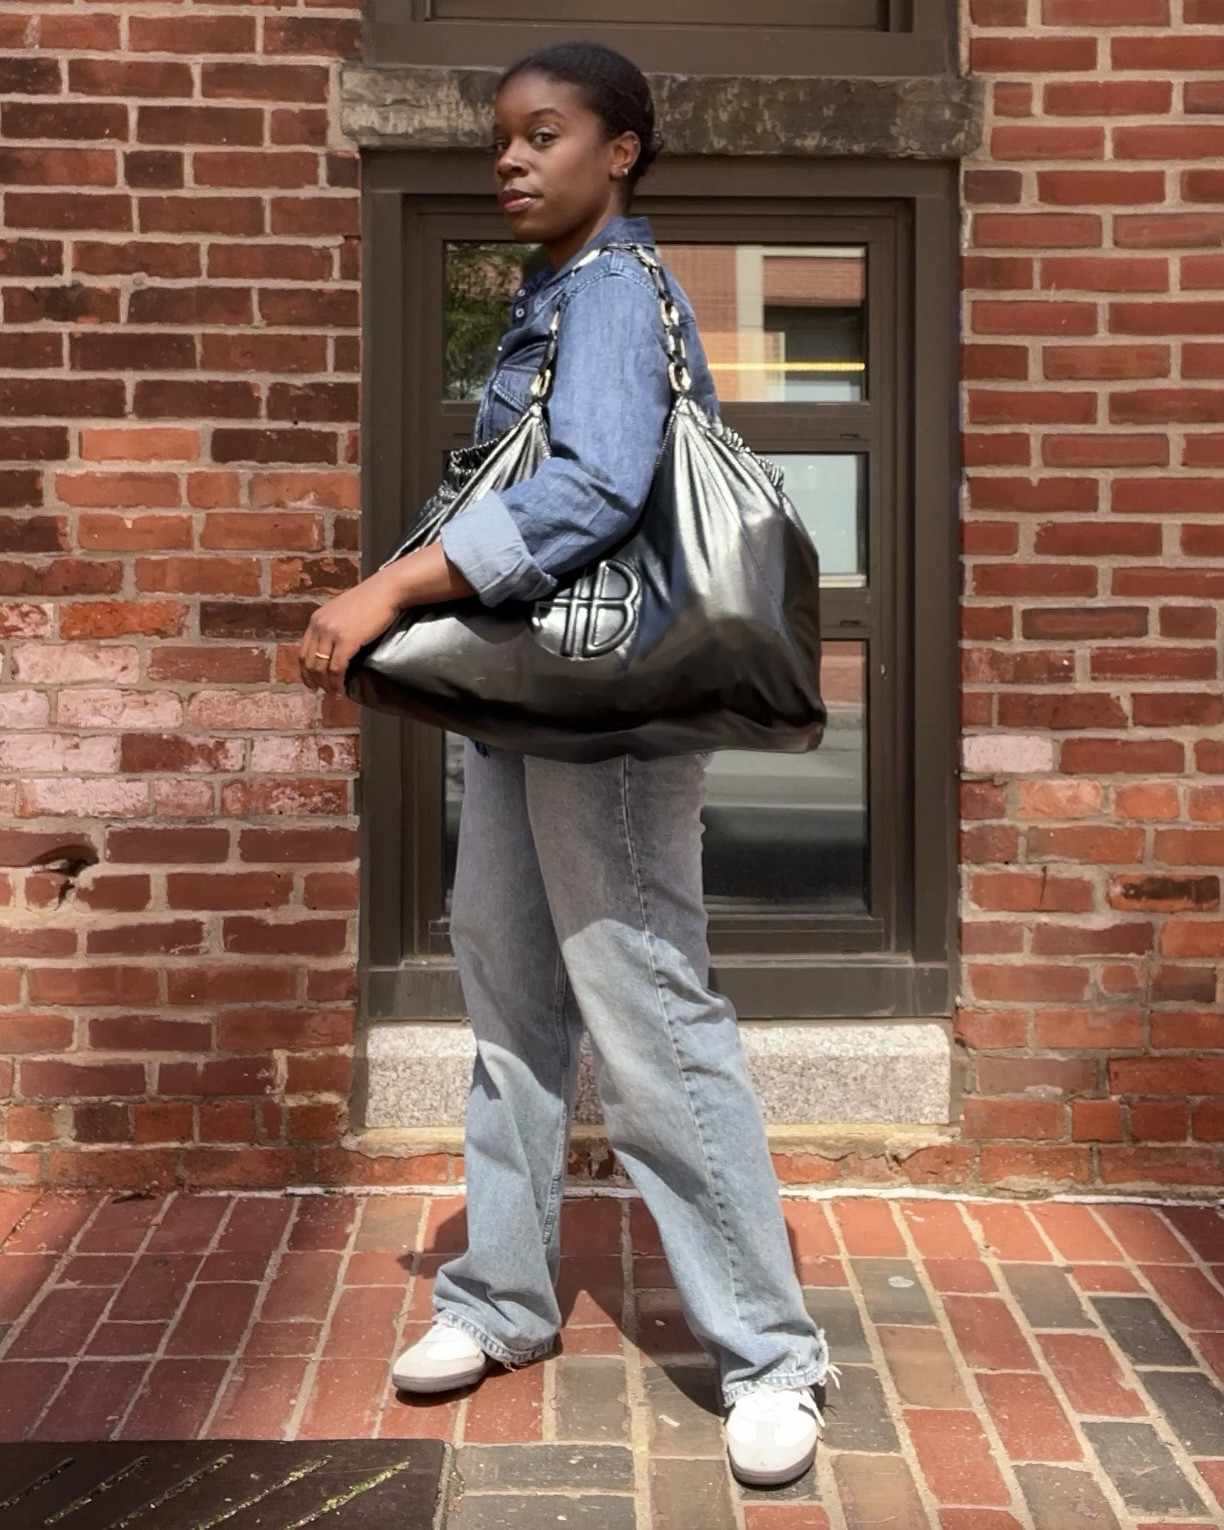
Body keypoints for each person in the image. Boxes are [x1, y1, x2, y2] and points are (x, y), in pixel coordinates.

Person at [298, 40, 832, 1488]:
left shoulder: (609, 290)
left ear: (622, 151)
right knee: (511, 999)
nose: (513, 160)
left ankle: (771, 1354)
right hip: (537, 704)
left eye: (546, 135)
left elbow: (595, 484)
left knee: (648, 1012)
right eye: (503, 141)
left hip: (608, 717)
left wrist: (395, 586)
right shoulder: (551, 293)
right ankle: (504, 1297)